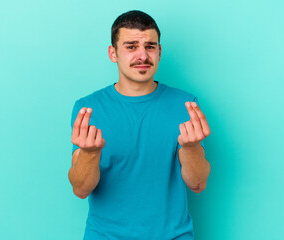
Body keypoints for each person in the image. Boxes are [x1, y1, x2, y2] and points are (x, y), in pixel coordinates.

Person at [69, 10, 211, 240]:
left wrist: (192, 147)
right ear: (113, 53)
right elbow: (80, 189)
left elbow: (198, 184)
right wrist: (90, 153)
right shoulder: (88, 108)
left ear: (159, 51)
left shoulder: (186, 105)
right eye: (131, 46)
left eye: (150, 46)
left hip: (173, 235)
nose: (143, 56)